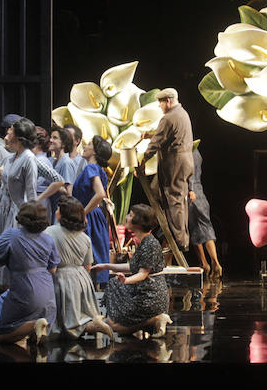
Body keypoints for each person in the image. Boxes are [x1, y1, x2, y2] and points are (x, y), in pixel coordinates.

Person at [0, 118, 68, 285]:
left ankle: (15, 292)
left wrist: (36, 202)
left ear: (19, 138)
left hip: (17, 214)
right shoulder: (9, 159)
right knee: (0, 257)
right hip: (3, 212)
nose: (6, 137)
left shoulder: (28, 158)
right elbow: (3, 192)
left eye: (10, 133)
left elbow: (52, 182)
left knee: (13, 258)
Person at [41, 135, 111, 285]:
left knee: (85, 256)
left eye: (89, 144)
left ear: (95, 152)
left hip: (89, 216)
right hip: (92, 214)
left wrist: (82, 213)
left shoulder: (91, 167)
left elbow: (100, 194)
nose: (85, 146)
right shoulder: (97, 169)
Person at [94, 204, 171, 337]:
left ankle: (155, 319)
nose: (126, 217)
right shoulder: (144, 241)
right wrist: (106, 266)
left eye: (130, 215)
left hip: (150, 295)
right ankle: (145, 325)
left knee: (115, 326)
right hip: (143, 290)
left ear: (139, 222)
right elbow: (133, 267)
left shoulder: (150, 244)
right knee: (114, 286)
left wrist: (126, 280)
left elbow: (143, 273)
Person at [45, 195, 114, 339]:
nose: (56, 211)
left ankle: (90, 326)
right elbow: (88, 265)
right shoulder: (85, 237)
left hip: (61, 276)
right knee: (77, 314)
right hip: (82, 278)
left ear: (63, 214)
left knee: (62, 321)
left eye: (59, 209)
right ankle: (92, 323)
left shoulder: (49, 232)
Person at [0, 201, 59, 345]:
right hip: (47, 293)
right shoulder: (48, 239)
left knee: (2, 334)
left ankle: (33, 326)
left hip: (25, 288)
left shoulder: (11, 235)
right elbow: (53, 269)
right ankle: (37, 328)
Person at [142, 87, 194, 251]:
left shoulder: (169, 117)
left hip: (175, 163)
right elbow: (168, 134)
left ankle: (179, 241)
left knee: (174, 199)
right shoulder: (183, 114)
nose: (159, 107)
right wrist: (150, 134)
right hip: (184, 161)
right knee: (156, 191)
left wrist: (143, 159)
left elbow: (157, 142)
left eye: (161, 103)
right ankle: (167, 231)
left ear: (168, 101)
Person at [188, 146, 223, 278]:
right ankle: (211, 262)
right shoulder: (196, 151)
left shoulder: (188, 150)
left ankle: (207, 263)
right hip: (200, 191)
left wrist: (190, 189)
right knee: (203, 226)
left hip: (191, 192)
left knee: (195, 227)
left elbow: (190, 172)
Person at [47, 124, 77, 224]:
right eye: (51, 137)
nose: (51, 140)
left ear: (63, 144)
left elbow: (68, 192)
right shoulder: (51, 161)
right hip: (51, 208)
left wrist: (53, 184)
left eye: (55, 138)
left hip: (59, 211)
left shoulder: (66, 162)